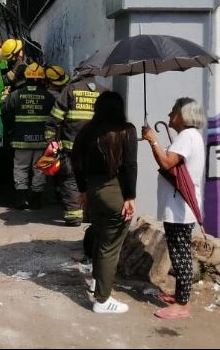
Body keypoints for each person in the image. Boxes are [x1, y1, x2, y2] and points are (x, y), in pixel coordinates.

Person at [72, 91, 137, 314]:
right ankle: (102, 300)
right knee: (110, 247)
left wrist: (82, 190)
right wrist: (130, 197)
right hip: (115, 192)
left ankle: (96, 283)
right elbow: (130, 166)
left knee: (100, 239)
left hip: (94, 190)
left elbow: (76, 162)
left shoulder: (87, 131)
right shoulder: (126, 131)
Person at [141, 97, 206, 320]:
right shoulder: (190, 136)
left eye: (173, 111)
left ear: (182, 115)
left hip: (180, 208)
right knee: (180, 253)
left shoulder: (188, 136)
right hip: (180, 206)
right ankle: (181, 296)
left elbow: (167, 162)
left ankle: (182, 305)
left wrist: (152, 140)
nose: (169, 115)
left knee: (180, 256)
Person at [45, 73, 107, 226]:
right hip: (97, 149)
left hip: (72, 149)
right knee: (94, 180)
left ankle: (73, 216)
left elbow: (55, 117)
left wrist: (51, 142)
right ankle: (91, 216)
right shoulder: (103, 91)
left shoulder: (70, 90)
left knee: (71, 180)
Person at [1, 62, 56, 209]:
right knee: (39, 169)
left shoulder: (16, 94)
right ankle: (36, 200)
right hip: (41, 141)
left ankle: (21, 199)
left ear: (26, 78)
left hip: (21, 140)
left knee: (20, 168)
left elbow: (4, 108)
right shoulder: (48, 96)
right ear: (41, 78)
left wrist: (4, 95)